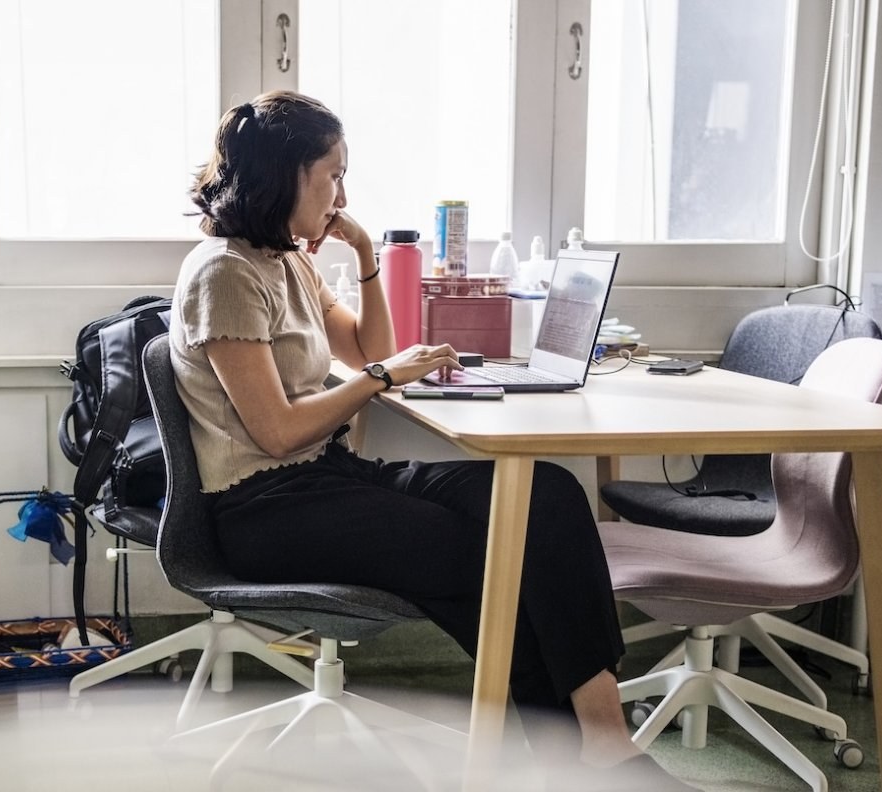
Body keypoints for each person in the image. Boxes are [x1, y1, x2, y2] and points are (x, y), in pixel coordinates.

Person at [170, 90, 694, 791]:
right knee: (485, 557)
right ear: (285, 175)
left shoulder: (285, 261)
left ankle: (601, 740)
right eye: (331, 176)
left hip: (327, 477)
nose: (341, 193)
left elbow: (367, 350)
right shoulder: (224, 275)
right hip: (262, 506)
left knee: (540, 495)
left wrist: (362, 253)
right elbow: (277, 431)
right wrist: (385, 377)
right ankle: (575, 760)